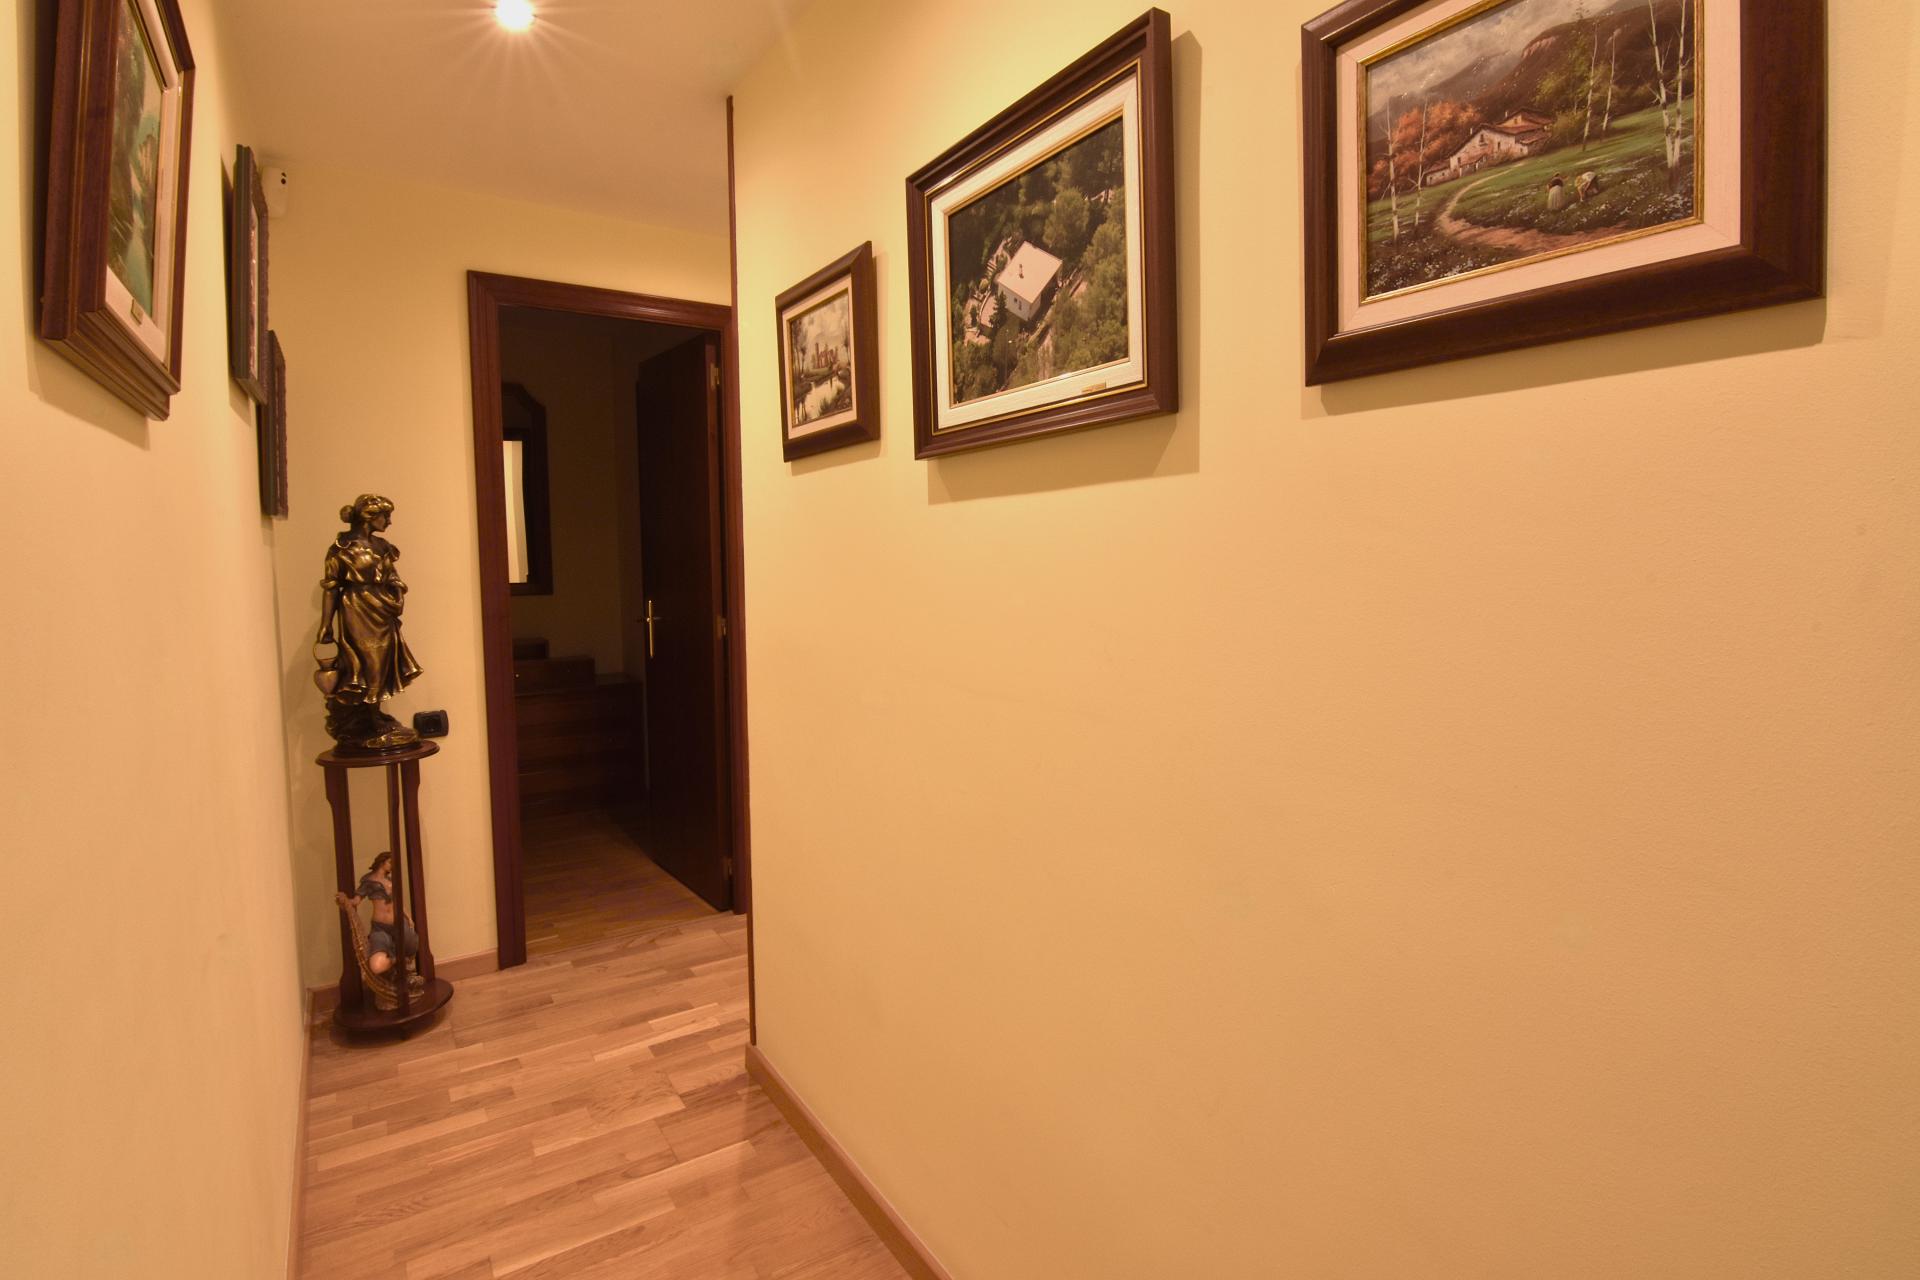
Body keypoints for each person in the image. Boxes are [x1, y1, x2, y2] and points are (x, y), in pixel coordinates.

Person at [316, 495, 424, 750]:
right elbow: (331, 588)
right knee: (367, 662)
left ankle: (373, 713)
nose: (389, 522)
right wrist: (326, 624)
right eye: (386, 516)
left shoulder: (382, 546)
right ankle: (364, 721)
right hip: (357, 608)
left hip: (382, 608)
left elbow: (392, 575)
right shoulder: (342, 548)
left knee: (384, 661)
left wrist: (396, 589)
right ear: (369, 516)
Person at [349, 852, 418, 977]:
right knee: (376, 966)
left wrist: (408, 917)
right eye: (390, 862)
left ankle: (402, 964)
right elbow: (356, 900)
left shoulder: (390, 881)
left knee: (410, 943)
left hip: (398, 923)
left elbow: (398, 902)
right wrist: (347, 901)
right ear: (382, 862)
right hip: (380, 927)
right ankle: (397, 961)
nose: (392, 866)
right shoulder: (369, 881)